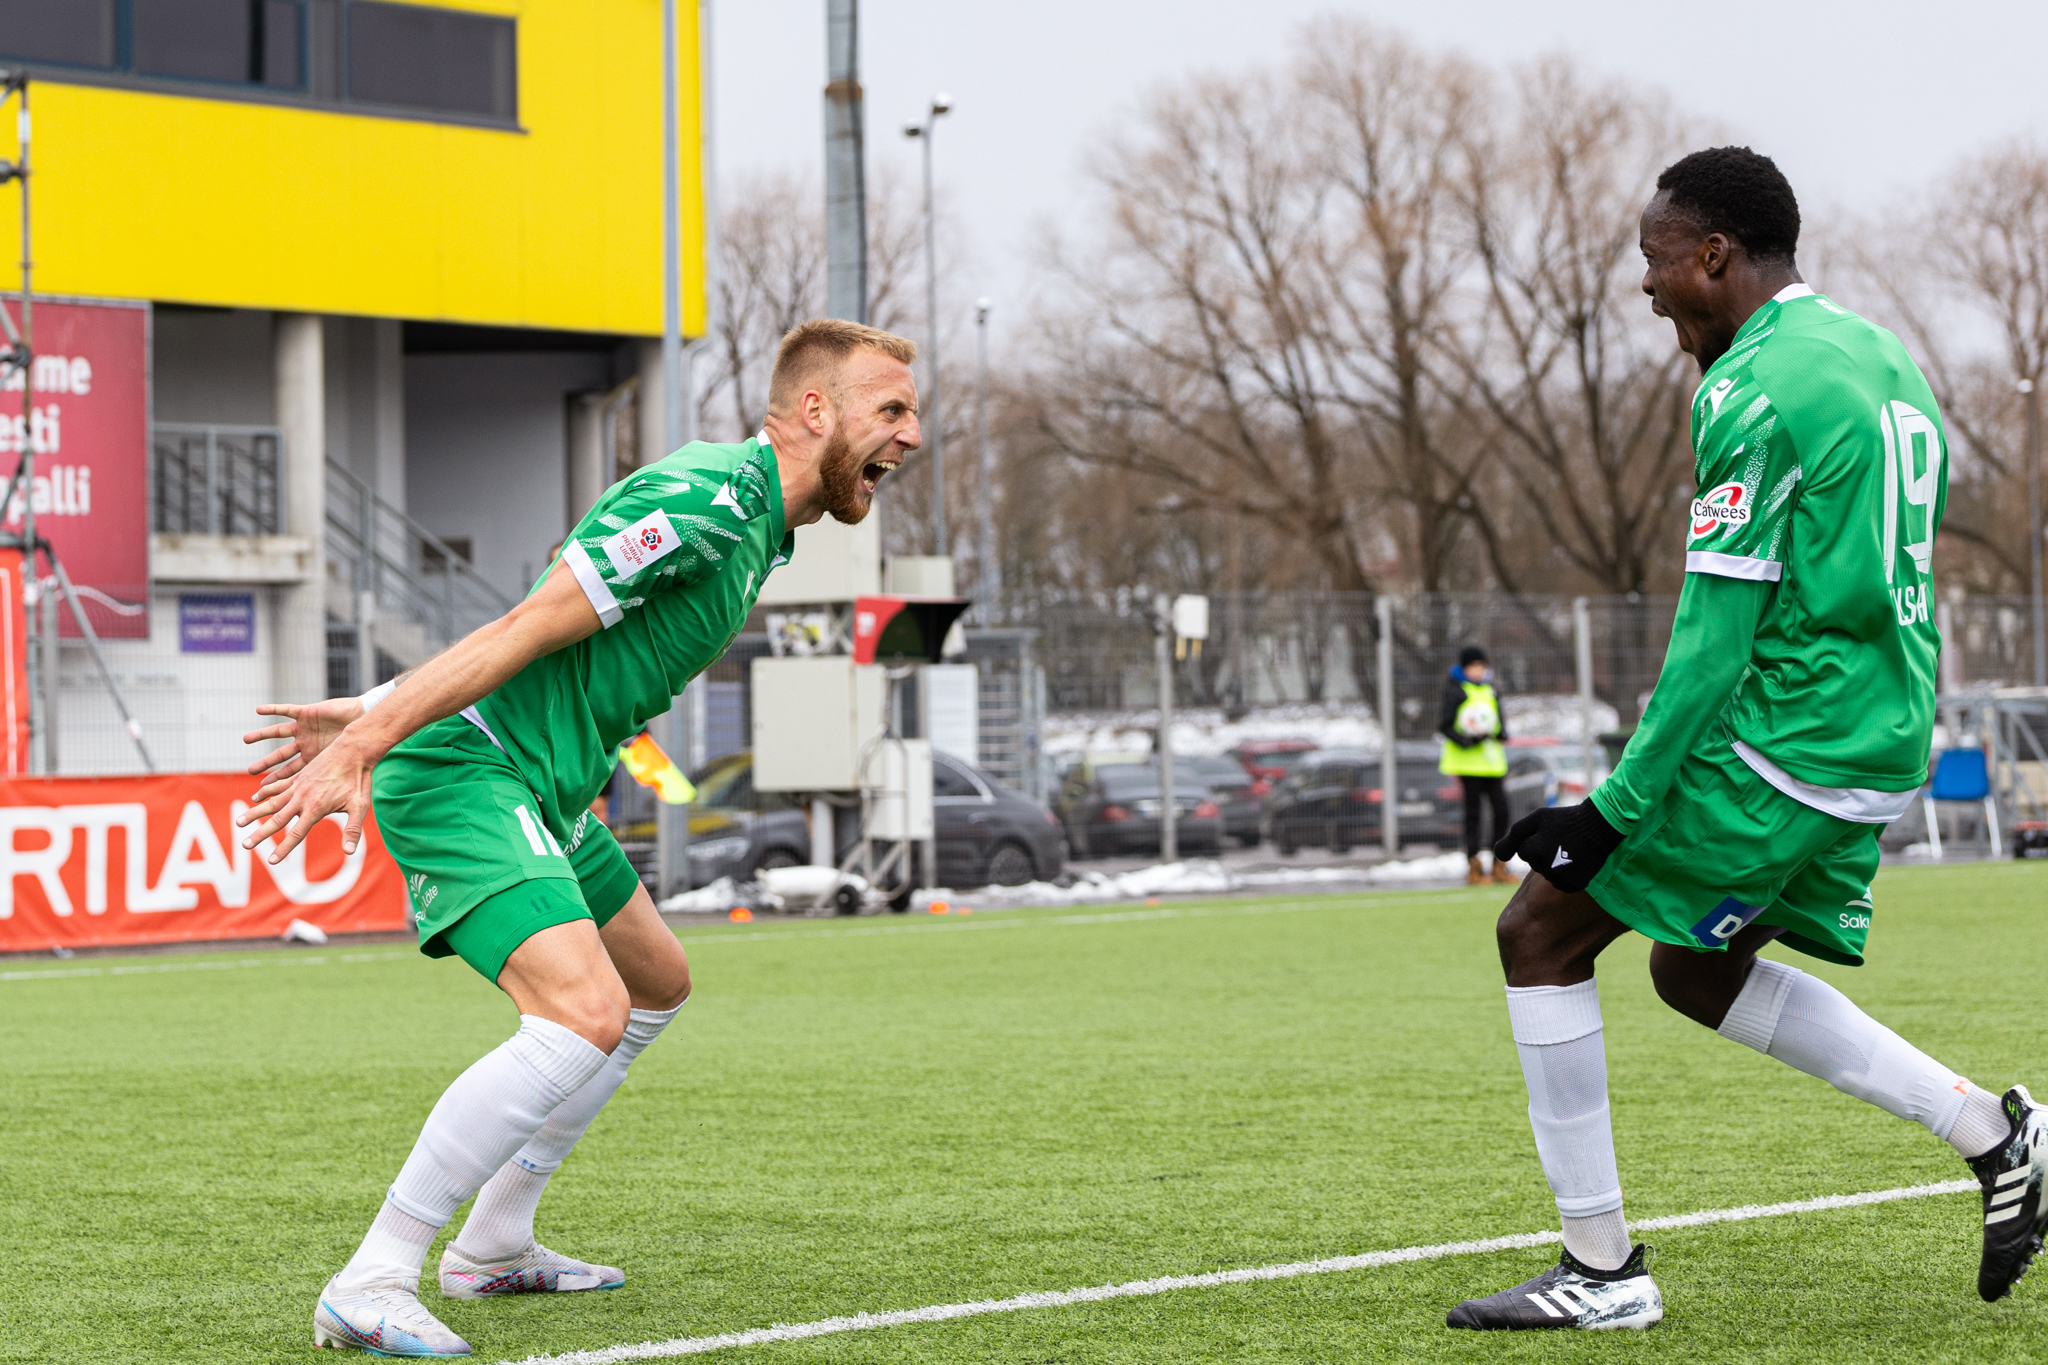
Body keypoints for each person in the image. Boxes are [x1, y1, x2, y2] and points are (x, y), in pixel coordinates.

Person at [237, 319, 922, 1358]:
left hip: (546, 787)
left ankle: (494, 1244)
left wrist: (380, 699)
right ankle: (372, 1276)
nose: (910, 435)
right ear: (815, 413)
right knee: (583, 1010)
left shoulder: (763, 530)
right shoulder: (707, 500)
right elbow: (525, 624)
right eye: (892, 410)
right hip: (469, 770)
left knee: (654, 981)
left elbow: (547, 639)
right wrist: (376, 734)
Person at [1446, 147, 2046, 1332]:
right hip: (1877, 739)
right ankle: (1995, 1133)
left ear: (1711, 255)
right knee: (1692, 968)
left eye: (1653, 260)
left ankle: (1602, 1273)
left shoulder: (1748, 388)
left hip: (1787, 742)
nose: (1646, 286)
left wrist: (1607, 813)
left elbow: (1714, 637)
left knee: (1538, 933)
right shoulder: (1879, 356)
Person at [1437, 644, 1516, 886]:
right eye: (1473, 666)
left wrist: (1500, 734)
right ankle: (1474, 866)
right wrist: (1467, 740)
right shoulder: (1456, 691)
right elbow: (1445, 725)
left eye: (1481, 666)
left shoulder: (1491, 690)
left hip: (1492, 764)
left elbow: (1499, 723)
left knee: (1502, 812)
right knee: (1473, 814)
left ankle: (1499, 864)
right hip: (1468, 764)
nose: (1478, 671)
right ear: (1464, 668)